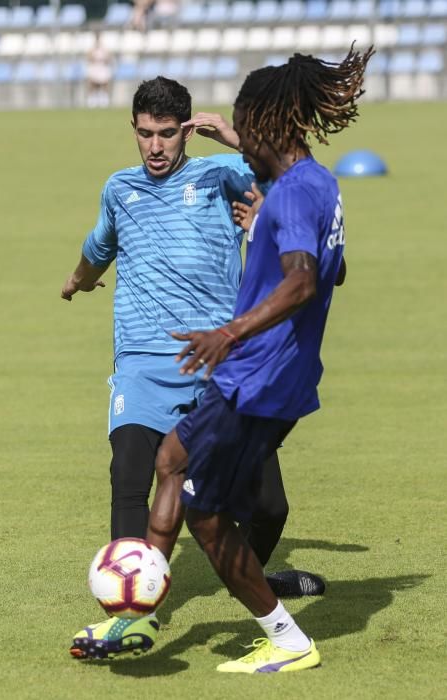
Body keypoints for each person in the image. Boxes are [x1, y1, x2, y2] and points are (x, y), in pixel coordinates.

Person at [63, 77, 323, 660]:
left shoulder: (219, 174)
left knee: (269, 506)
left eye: (165, 135)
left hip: (216, 362)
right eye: (144, 134)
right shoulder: (119, 189)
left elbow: (285, 189)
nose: (154, 147)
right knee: (129, 472)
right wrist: (76, 281)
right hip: (141, 363)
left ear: (185, 130)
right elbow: (98, 245)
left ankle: (253, 578)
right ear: (134, 130)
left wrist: (256, 199)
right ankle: (131, 613)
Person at [141, 45, 373, 673]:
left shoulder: (292, 196)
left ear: (270, 125)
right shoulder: (317, 182)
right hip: (278, 373)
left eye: (248, 130)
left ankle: (287, 638)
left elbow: (301, 282)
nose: (241, 146)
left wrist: (230, 332)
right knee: (169, 457)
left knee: (208, 517)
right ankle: (138, 603)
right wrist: (262, 206)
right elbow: (336, 269)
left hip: (255, 377)